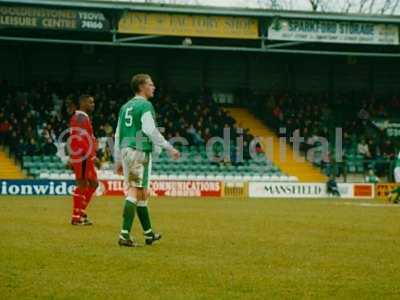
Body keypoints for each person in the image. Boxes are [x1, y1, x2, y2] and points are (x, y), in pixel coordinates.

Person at [114, 74, 180, 247]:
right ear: (142, 86)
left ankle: (149, 234)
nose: (154, 87)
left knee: (143, 193)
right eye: (151, 84)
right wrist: (168, 147)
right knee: (135, 192)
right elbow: (150, 130)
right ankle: (124, 235)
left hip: (127, 150)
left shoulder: (125, 107)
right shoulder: (145, 105)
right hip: (139, 151)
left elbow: (118, 134)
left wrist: (118, 159)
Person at [68, 95, 99, 225]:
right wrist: (91, 155)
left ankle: (80, 212)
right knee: (82, 184)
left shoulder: (82, 117)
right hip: (82, 156)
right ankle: (76, 216)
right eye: (90, 102)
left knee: (93, 183)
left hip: (83, 156)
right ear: (83, 103)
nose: (93, 104)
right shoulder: (80, 117)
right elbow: (80, 139)